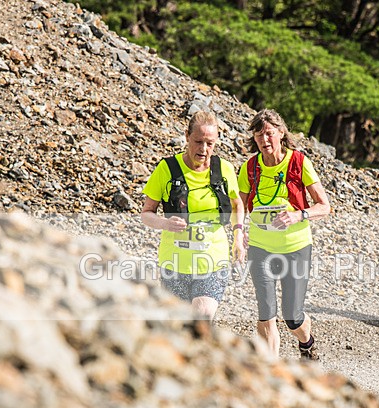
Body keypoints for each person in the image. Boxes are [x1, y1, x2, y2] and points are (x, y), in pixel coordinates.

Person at [238, 109, 331, 359]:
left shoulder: (299, 162)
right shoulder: (249, 168)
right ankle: (270, 374)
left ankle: (306, 342)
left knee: (292, 317)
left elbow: (324, 206)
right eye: (259, 135)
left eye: (269, 133)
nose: (264, 140)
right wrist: (239, 231)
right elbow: (239, 206)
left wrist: (298, 215)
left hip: (296, 247)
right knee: (266, 312)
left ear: (281, 133)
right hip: (260, 247)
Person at [141, 111, 245, 320]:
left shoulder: (224, 169)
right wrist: (165, 223)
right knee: (177, 324)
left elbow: (236, 205)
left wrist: (239, 236)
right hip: (174, 261)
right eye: (198, 141)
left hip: (213, 260)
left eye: (210, 143)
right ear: (187, 136)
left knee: (202, 314)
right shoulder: (167, 169)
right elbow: (146, 213)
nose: (203, 149)